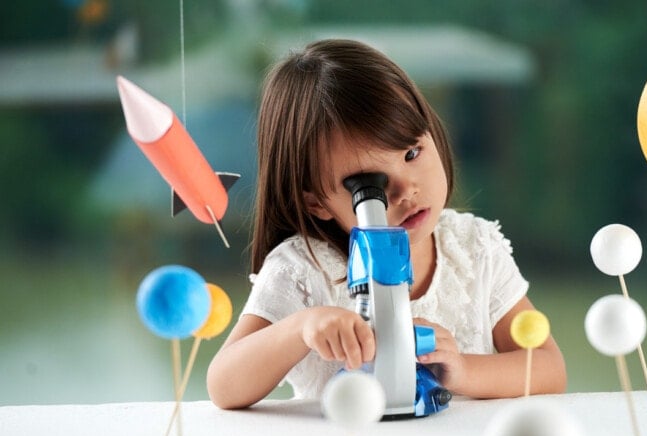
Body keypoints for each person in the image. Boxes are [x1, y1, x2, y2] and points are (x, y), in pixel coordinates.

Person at [207, 39, 566, 409]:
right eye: (369, 185)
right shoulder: (302, 269)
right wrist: (301, 328)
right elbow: (223, 385)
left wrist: (463, 371)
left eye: (412, 153)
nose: (405, 189)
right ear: (315, 201)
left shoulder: (474, 248)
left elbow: (548, 367)